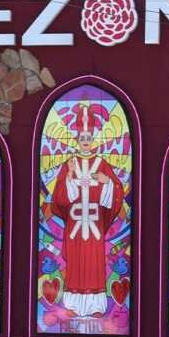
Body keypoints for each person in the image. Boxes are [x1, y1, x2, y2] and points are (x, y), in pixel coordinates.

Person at [50, 105, 124, 317]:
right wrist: (69, 176)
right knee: (75, 264)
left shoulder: (102, 164)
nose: (85, 140)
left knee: (94, 263)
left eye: (88, 137)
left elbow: (118, 191)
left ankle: (96, 307)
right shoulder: (69, 164)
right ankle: (73, 306)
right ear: (77, 139)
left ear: (93, 139)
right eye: (82, 137)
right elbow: (59, 198)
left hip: (94, 225)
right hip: (75, 225)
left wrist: (106, 181)